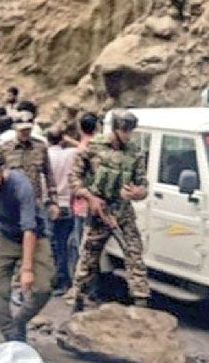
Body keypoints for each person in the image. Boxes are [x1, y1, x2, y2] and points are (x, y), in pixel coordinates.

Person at [69, 109, 150, 311]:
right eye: (124, 130)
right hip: (100, 211)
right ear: (114, 128)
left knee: (134, 254)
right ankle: (78, 297)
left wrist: (137, 193)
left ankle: (140, 301)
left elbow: (143, 186)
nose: (127, 134)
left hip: (123, 212)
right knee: (88, 257)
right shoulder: (92, 148)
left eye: (130, 130)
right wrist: (90, 198)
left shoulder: (135, 153)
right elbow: (74, 179)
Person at [0, 152, 55, 342]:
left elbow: (29, 229)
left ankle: (21, 320)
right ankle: (10, 334)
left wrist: (26, 270)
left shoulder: (20, 186)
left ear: (2, 171)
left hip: (34, 236)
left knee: (43, 288)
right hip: (6, 235)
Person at [0, 111, 57, 211]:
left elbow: (49, 175)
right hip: (11, 202)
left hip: (35, 202)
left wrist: (53, 201)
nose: (25, 132)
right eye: (22, 130)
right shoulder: (4, 148)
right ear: (15, 128)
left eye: (28, 129)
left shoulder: (40, 147)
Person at [66, 111, 100, 277]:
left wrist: (72, 203)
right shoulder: (102, 148)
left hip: (82, 205)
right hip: (99, 204)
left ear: (80, 128)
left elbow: (74, 181)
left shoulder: (79, 152)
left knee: (81, 247)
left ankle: (80, 286)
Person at [46, 127, 77, 296]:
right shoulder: (71, 154)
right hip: (68, 204)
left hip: (52, 204)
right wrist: (70, 140)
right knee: (64, 243)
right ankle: (66, 280)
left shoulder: (45, 155)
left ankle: (55, 281)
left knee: (52, 244)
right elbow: (86, 149)